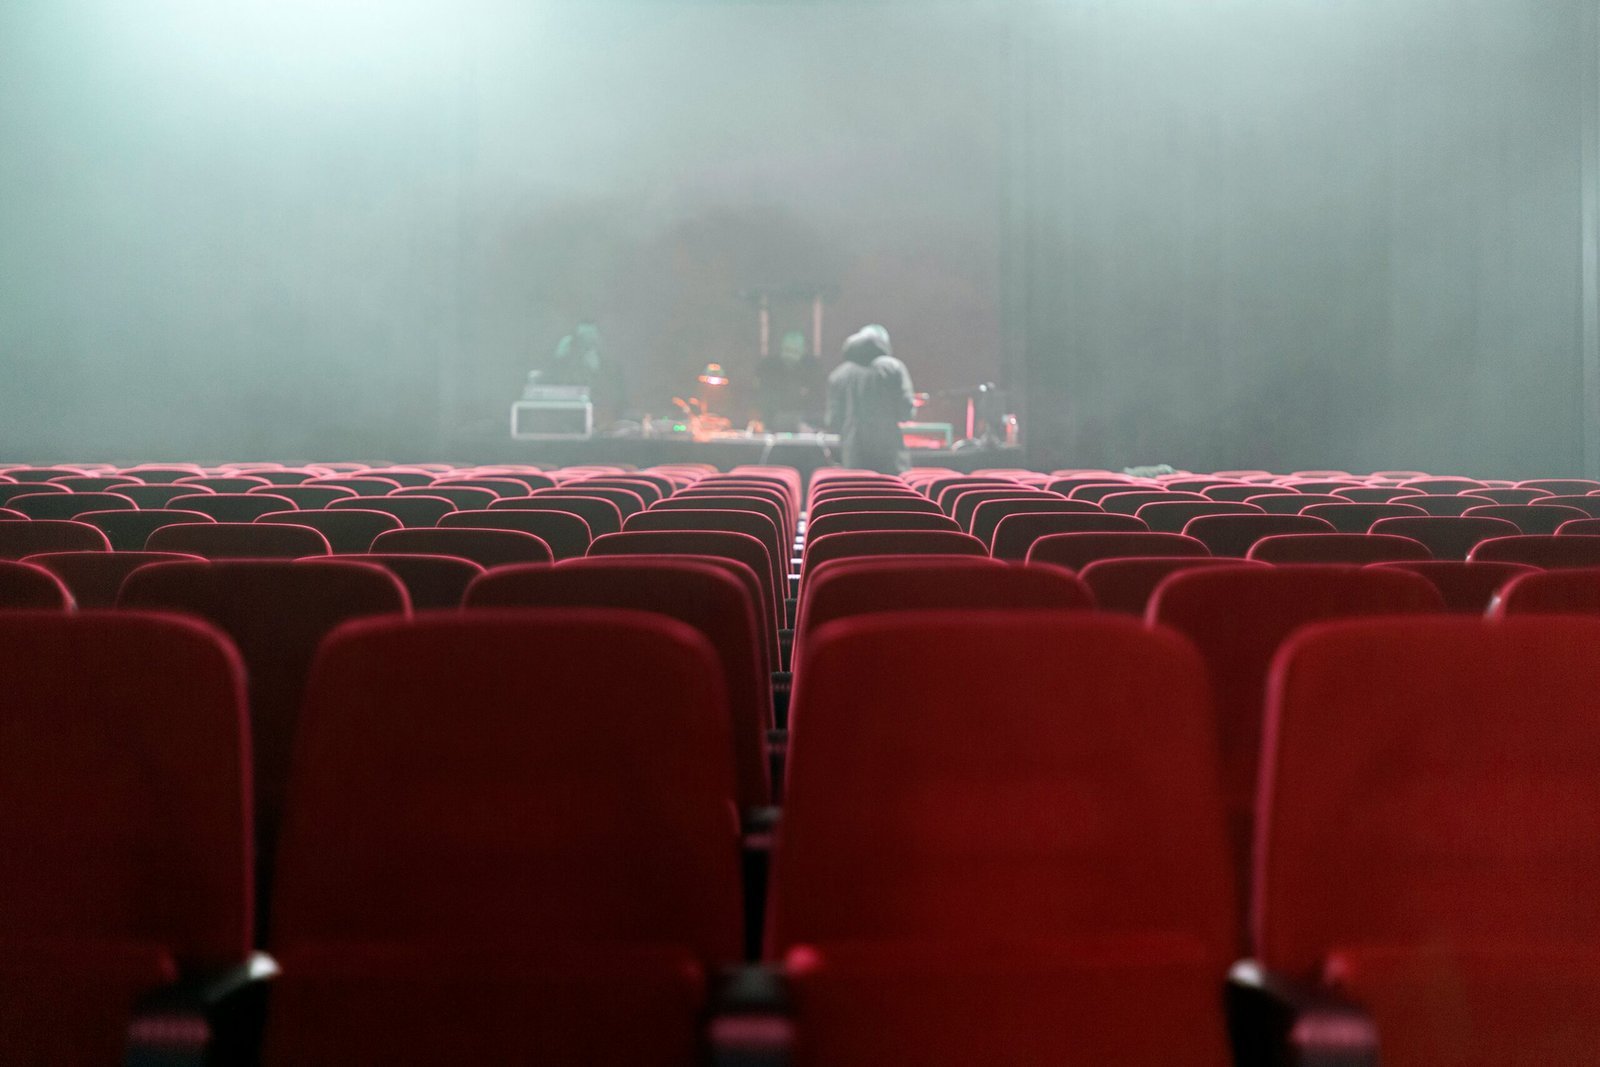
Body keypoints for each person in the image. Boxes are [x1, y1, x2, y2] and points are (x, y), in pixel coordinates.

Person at [825, 324, 915, 473]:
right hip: (890, 456)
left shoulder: (838, 375)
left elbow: (833, 420)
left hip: (853, 455)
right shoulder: (894, 368)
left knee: (858, 494)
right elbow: (906, 411)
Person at [533, 320, 628, 423]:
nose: (587, 341)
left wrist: (596, 370)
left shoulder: (612, 368)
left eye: (591, 336)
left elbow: (617, 399)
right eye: (582, 336)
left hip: (602, 422)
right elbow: (548, 390)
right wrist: (559, 358)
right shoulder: (565, 365)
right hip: (567, 423)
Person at [755, 330, 823, 431]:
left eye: (795, 351)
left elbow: (817, 405)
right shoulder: (770, 370)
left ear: (804, 350)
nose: (789, 355)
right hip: (773, 429)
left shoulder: (813, 371)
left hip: (807, 429)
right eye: (787, 350)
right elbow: (766, 404)